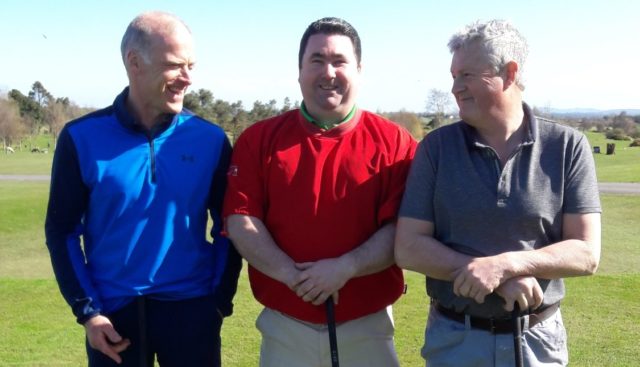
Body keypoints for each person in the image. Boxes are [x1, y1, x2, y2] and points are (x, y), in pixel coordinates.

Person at [395, 19, 602, 366]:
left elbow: (585, 253)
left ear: (509, 73)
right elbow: (408, 247)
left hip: (538, 341)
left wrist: (508, 265)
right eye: (453, 76)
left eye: (467, 75)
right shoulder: (436, 148)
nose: (455, 88)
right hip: (454, 341)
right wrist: (489, 276)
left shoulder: (568, 146)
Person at [44, 11, 241, 366]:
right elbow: (62, 231)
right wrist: (89, 312)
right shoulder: (80, 137)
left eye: (191, 66)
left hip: (191, 310)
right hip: (113, 317)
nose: (187, 79)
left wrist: (218, 300)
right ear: (134, 62)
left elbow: (228, 224)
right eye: (175, 66)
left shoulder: (210, 139)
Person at [223, 17, 416, 367]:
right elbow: (241, 219)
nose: (328, 72)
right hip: (285, 326)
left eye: (339, 61)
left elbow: (403, 230)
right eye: (317, 61)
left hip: (368, 327)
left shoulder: (396, 142)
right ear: (299, 71)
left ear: (358, 70)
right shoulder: (259, 140)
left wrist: (346, 267)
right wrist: (293, 275)